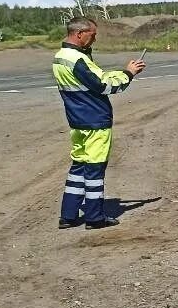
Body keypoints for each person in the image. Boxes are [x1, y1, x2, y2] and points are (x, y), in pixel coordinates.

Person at [52, 17, 146, 229]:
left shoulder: (61, 57)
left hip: (77, 121)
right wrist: (129, 74)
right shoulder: (77, 59)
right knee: (94, 171)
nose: (94, 39)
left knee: (78, 167)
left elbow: (96, 77)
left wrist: (122, 71)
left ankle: (68, 215)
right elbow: (104, 85)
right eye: (92, 35)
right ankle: (95, 217)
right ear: (79, 34)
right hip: (95, 122)